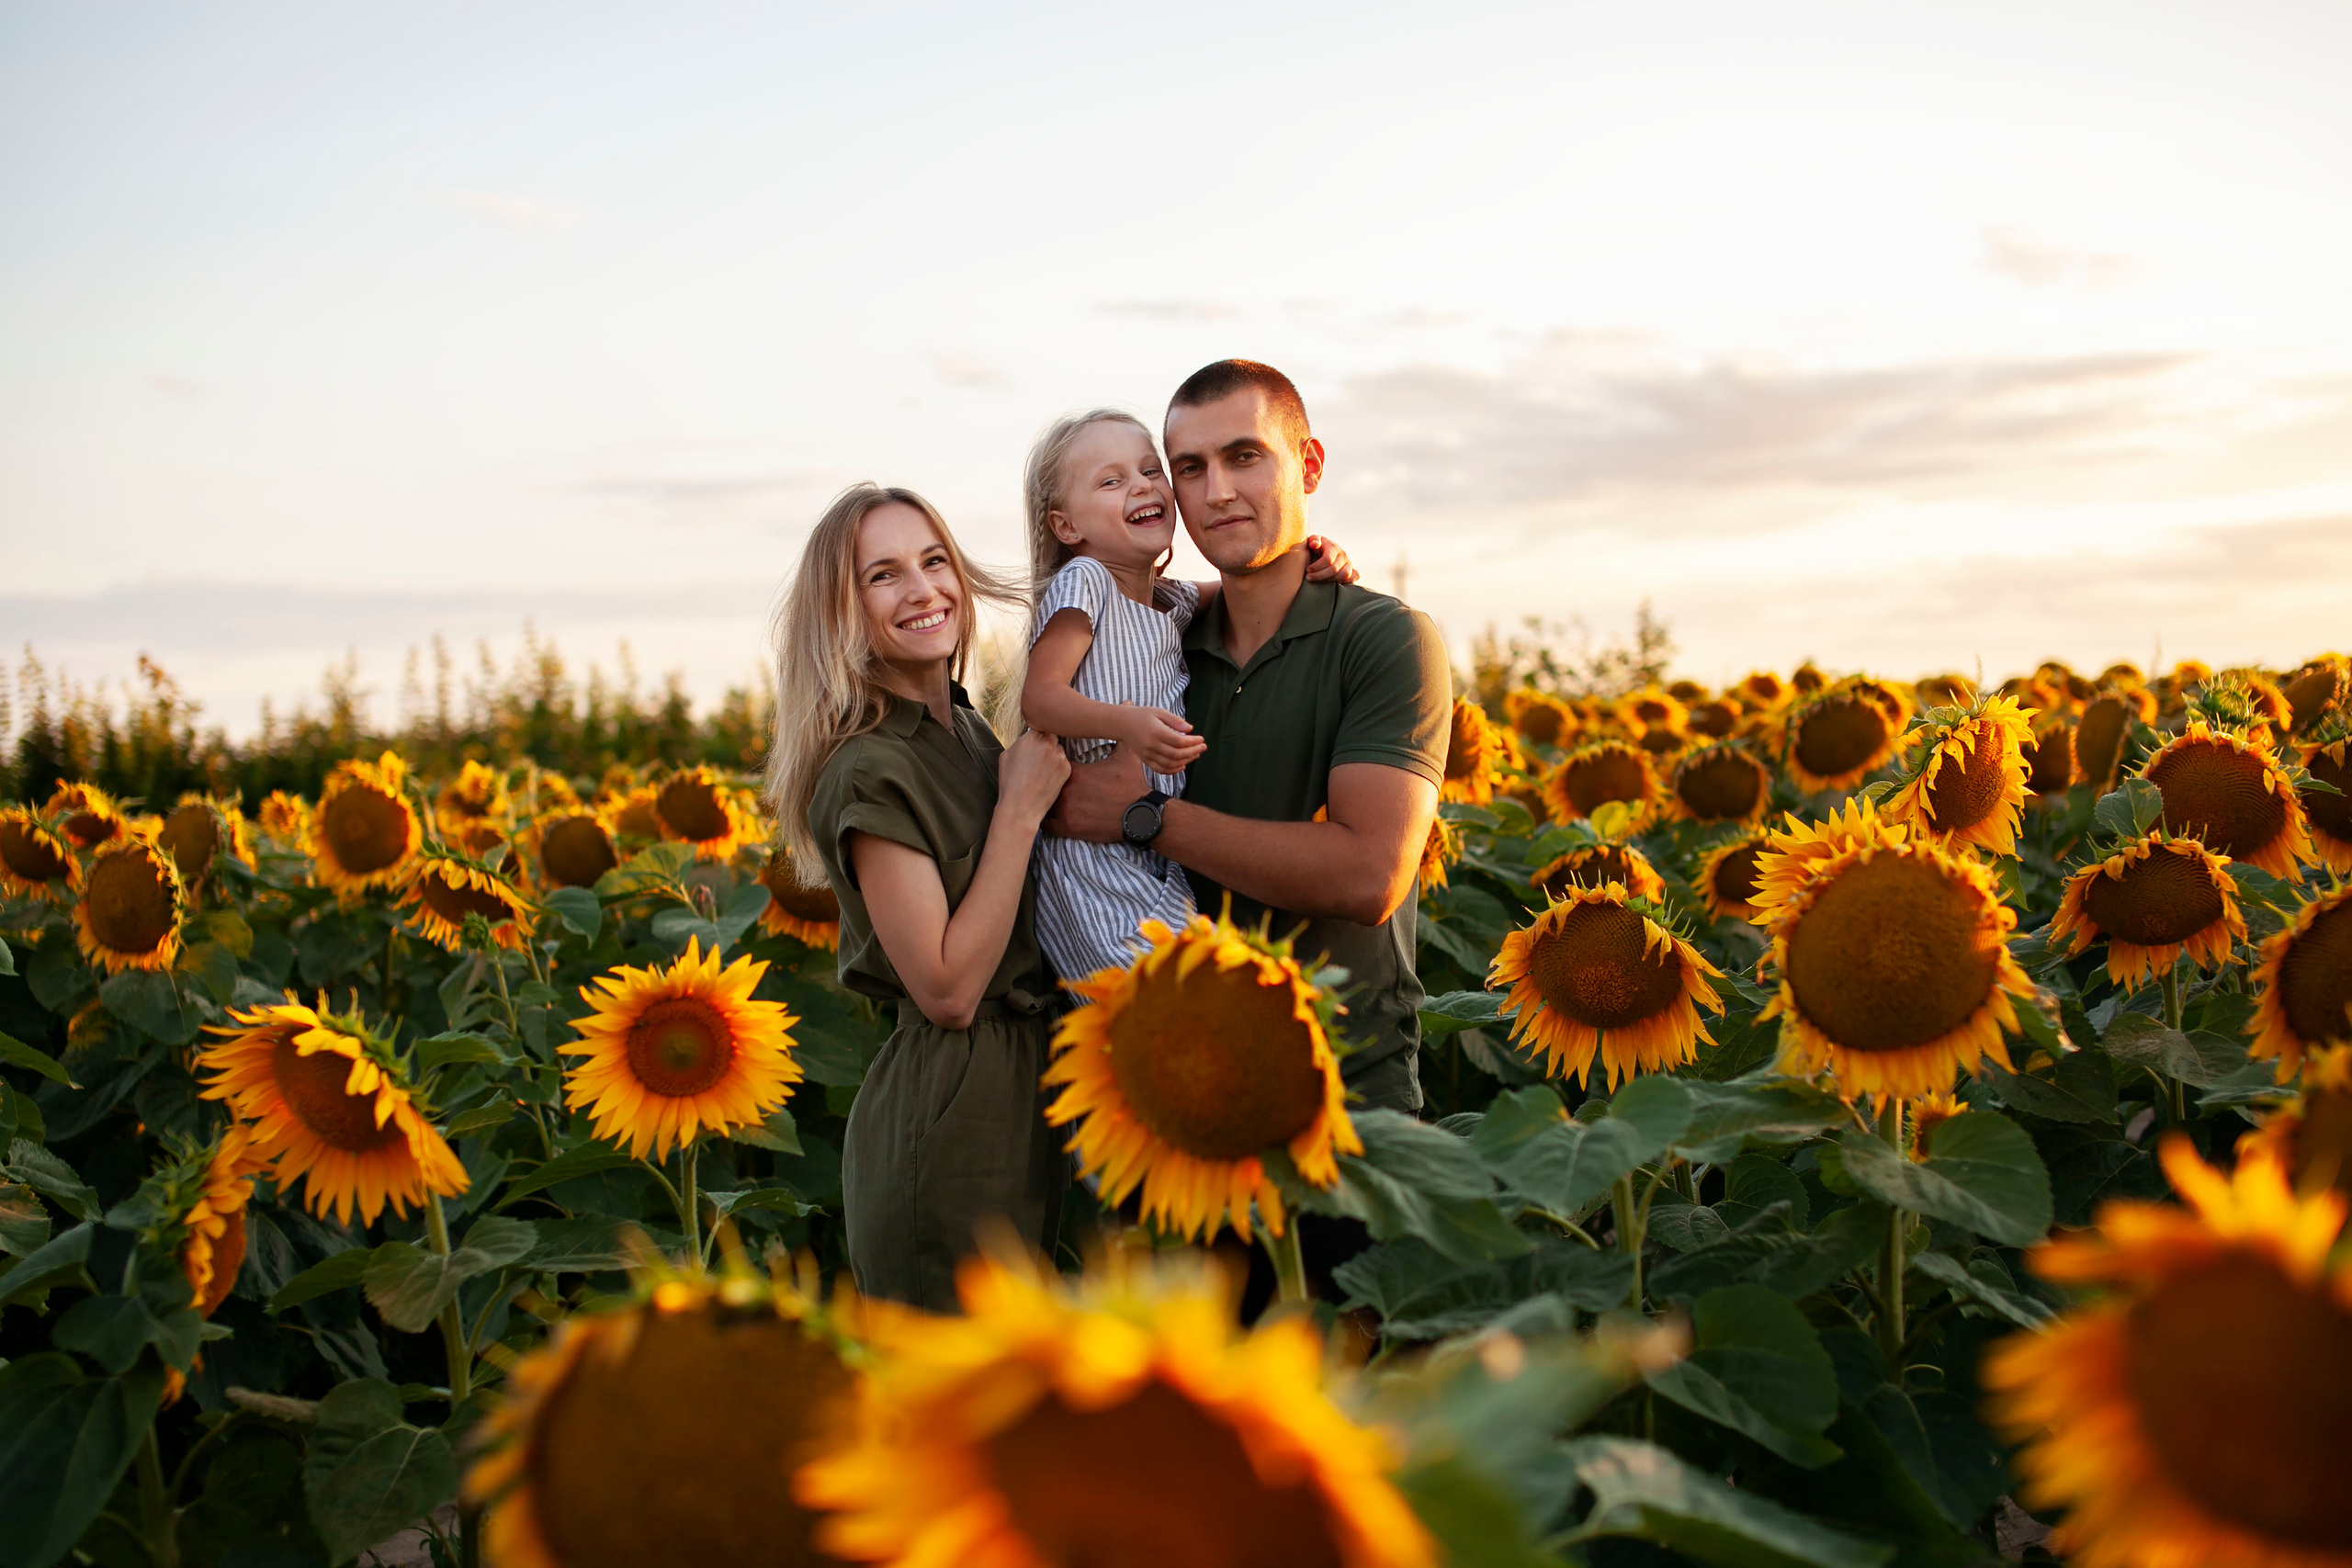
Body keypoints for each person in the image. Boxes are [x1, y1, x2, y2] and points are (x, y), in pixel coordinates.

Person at [1045, 362, 1450, 1301]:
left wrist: (1148, 819)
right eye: (1187, 468)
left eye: (1244, 457)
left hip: (1346, 1114)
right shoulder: (1154, 641)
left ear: (1306, 463)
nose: (1215, 490)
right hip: (1179, 1119)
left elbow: (1366, 874)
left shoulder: (1382, 641)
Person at [765, 482, 1070, 1312]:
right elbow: (945, 988)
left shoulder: (968, 731)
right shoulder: (869, 766)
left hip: (1030, 1091)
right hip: (953, 1117)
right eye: (884, 575)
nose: (924, 589)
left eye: (935, 561)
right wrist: (1017, 809)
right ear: (843, 611)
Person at [1016, 407, 1359, 985]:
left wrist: (1312, 555)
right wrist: (1127, 725)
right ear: (1066, 526)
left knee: (1200, 996)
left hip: (1150, 847)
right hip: (1090, 857)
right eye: (1111, 480)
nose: (1143, 486)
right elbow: (1039, 699)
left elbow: (1244, 586)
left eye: (1152, 470)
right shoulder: (1086, 582)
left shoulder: (1168, 600)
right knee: (1162, 1003)